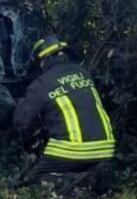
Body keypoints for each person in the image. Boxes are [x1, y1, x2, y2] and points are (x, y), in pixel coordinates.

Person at [12, 35, 115, 190]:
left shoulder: (42, 83)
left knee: (30, 182)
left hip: (71, 151)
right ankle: (93, 173)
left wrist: (19, 102)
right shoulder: (82, 73)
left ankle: (74, 183)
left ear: (42, 60)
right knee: (78, 162)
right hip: (105, 148)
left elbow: (20, 121)